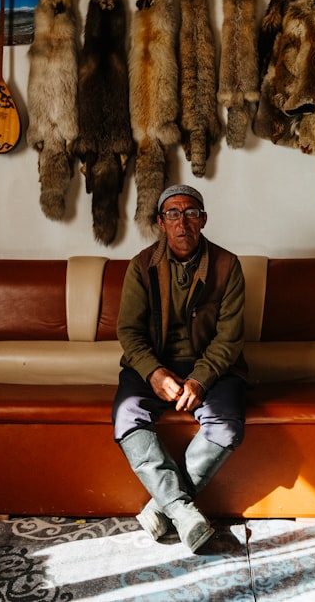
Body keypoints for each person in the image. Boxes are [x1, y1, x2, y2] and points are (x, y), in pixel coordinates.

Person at [112, 184, 247, 553]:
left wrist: (200, 380)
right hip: (152, 363)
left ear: (203, 220)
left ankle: (165, 509)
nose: (181, 221)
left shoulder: (227, 265)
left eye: (190, 212)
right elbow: (128, 331)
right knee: (126, 415)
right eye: (172, 213)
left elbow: (229, 337)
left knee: (227, 422)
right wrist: (153, 373)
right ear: (160, 222)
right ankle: (184, 512)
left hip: (212, 367)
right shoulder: (141, 266)